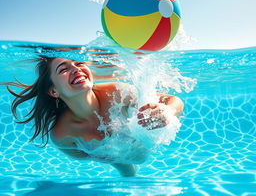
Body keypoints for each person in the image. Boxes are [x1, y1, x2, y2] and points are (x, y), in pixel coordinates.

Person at [2, 56, 184, 176]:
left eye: (78, 63)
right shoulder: (62, 134)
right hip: (117, 156)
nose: (76, 69)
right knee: (120, 166)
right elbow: (83, 156)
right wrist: (110, 156)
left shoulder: (115, 92)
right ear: (54, 91)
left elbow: (175, 100)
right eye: (63, 69)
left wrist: (166, 111)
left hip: (141, 144)